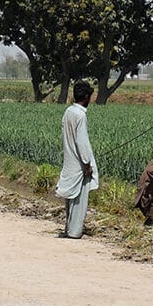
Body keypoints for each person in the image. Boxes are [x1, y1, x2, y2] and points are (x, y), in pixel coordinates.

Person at [55, 81, 98, 238]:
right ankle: (75, 232)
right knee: (79, 199)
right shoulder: (80, 115)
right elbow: (81, 141)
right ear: (86, 96)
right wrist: (87, 163)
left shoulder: (69, 111)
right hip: (79, 163)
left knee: (71, 199)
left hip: (70, 161)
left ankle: (69, 228)